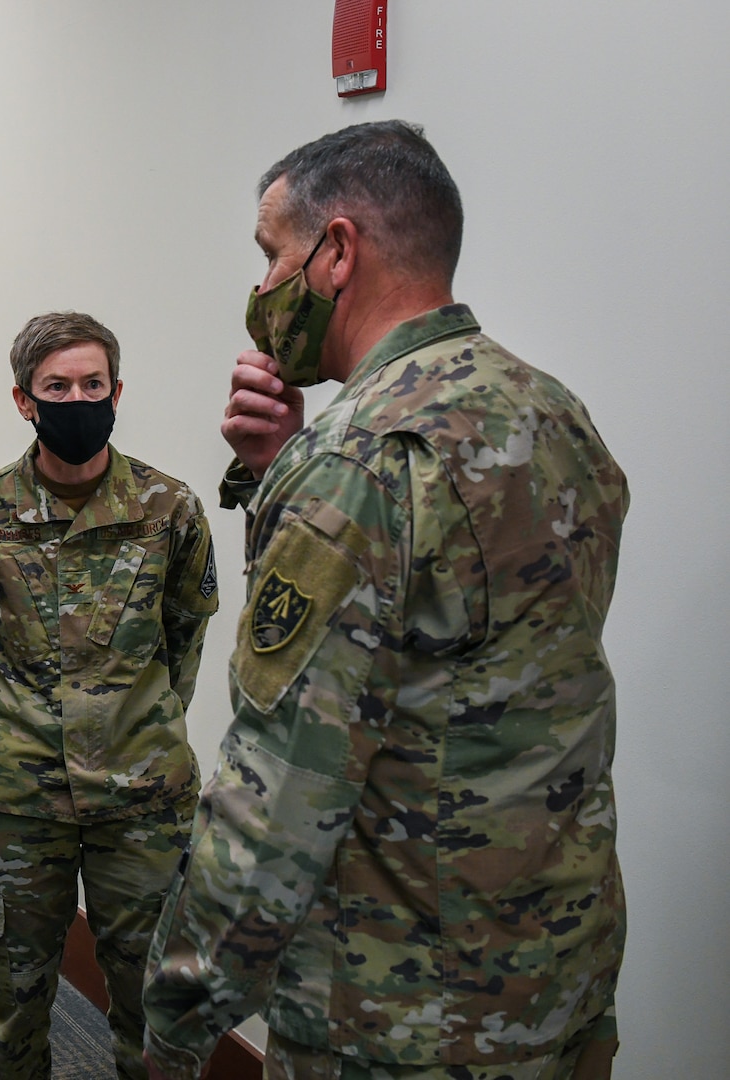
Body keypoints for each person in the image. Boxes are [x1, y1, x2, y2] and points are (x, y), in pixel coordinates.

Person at [141, 121, 627, 1080]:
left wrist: (177, 1017)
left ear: (337, 252)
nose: (264, 287)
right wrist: (281, 475)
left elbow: (279, 792)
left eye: (272, 253)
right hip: (559, 979)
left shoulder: (362, 461)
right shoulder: (551, 410)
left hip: (404, 1016)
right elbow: (464, 665)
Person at [0, 311, 219, 1080]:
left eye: (93, 384)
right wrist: (19, 722)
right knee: (11, 1011)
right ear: (25, 401)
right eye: (57, 387)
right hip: (16, 799)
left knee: (157, 1008)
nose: (78, 399)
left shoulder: (171, 510)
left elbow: (183, 638)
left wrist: (137, 723)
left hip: (144, 800)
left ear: (118, 391)